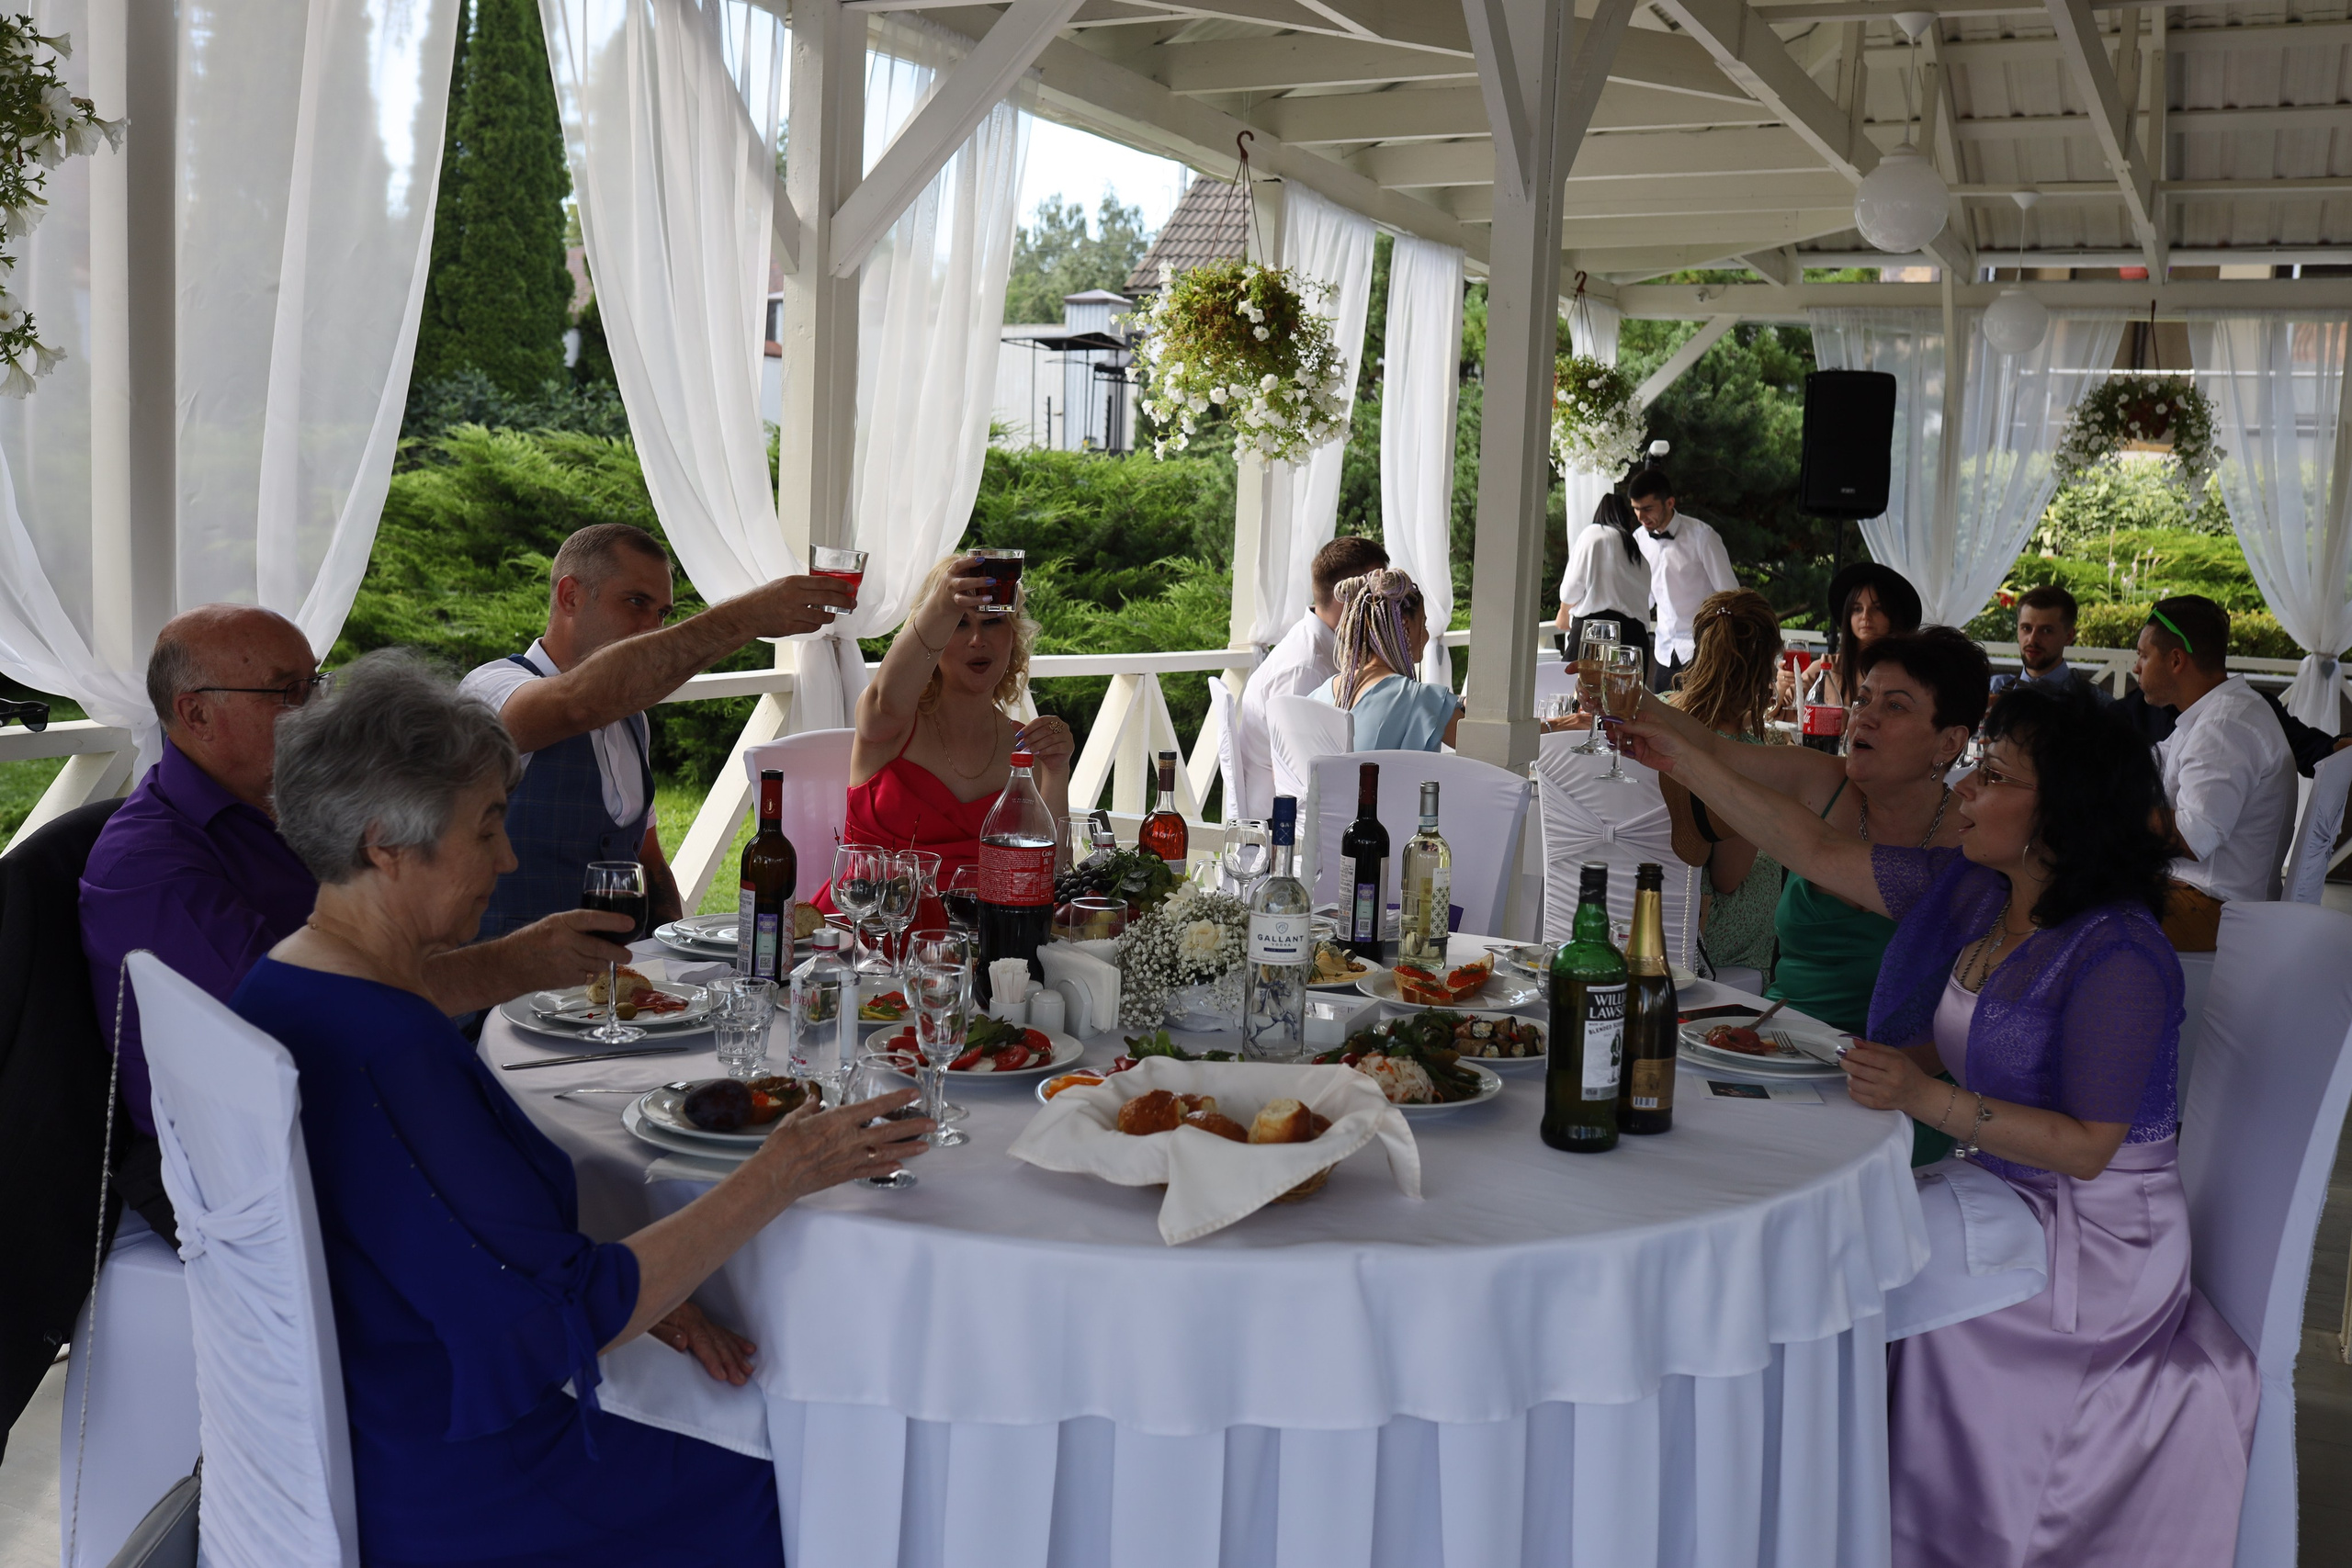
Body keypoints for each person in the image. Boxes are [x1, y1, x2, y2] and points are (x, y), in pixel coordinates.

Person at [232, 651, 935, 1567]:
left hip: (390, 1409)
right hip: (475, 1480)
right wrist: (785, 1172)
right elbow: (553, 1320)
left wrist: (665, 1301)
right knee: (829, 1477)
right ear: (385, 844)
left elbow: (459, 1246)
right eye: (486, 827)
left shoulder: (288, 982)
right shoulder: (387, 1049)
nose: (510, 856)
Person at [1625, 682, 2256, 1568]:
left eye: (1991, 775)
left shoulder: (2118, 950)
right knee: (1822, 1241)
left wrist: (1927, 1101)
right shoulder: (1977, 893)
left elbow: (2088, 1149)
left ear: (2059, 811)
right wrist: (1679, 757)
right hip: (1999, 1187)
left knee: (1834, 1265)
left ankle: (1845, 1524)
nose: (1963, 788)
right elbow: (1808, 844)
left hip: (2093, 1244)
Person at [82, 606, 634, 1145]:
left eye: (316, 684)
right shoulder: (148, 862)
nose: (315, 710)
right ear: (196, 715)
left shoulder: (297, 804)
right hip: (258, 1163)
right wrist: (510, 965)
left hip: (368, 1089)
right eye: (288, 692)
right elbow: (303, 1016)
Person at [459, 525, 856, 938]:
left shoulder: (633, 721)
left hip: (616, 984)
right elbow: (574, 706)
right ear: (570, 596)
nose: (654, 628)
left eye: (663, 614)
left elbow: (648, 859)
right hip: (511, 988)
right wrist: (746, 616)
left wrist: (674, 958)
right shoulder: (490, 690)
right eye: (636, 602)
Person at [1645, 626, 1986, 1044]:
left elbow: (1816, 850)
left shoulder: (1976, 842)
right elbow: (1716, 750)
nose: (1866, 717)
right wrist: (1630, 699)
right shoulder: (1825, 781)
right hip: (1776, 1044)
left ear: (1950, 742)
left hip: (1892, 1076)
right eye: (1862, 699)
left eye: (1895, 706)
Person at [824, 552, 1076, 916]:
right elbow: (885, 699)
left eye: (992, 622)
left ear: (1013, 635)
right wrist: (941, 603)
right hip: (868, 935)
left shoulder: (1026, 747)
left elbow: (1048, 879)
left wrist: (1057, 769)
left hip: (982, 945)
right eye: (959, 623)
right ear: (933, 630)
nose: (977, 639)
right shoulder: (892, 724)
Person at [2132, 595, 2296, 950]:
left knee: (2072, 904)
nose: (2136, 667)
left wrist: (2108, 810)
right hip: (2203, 895)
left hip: (2215, 907)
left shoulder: (2223, 726)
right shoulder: (2216, 712)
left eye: (2144, 656)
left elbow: (2195, 836)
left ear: (2176, 660)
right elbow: (2154, 761)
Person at [1658, 591, 1787, 983]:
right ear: (1763, 671)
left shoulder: (1659, 714)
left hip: (1642, 908)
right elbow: (1730, 879)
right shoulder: (1747, 759)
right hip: (1701, 933)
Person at [1235, 535, 1391, 820]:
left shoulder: (1321, 646)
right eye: (1378, 594)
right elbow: (1305, 775)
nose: (1386, 606)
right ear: (1347, 595)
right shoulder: (1307, 667)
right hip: (1281, 829)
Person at [1312, 569, 1463, 752]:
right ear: (1406, 626)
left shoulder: (1320, 694)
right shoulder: (1423, 700)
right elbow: (1485, 745)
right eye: (1423, 624)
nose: (1427, 633)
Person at [1628, 468, 1736, 693]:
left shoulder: (1703, 537)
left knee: (1697, 724)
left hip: (1702, 653)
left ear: (1669, 503)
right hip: (1664, 652)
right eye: (1636, 509)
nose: (1640, 517)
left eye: (1647, 509)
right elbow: (1642, 599)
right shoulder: (1638, 539)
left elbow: (1731, 596)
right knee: (1659, 722)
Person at [1801, 560, 1925, 712]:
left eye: (1877, 608)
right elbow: (1785, 710)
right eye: (1857, 609)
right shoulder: (1826, 668)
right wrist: (1783, 683)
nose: (1866, 616)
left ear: (1893, 616)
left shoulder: (1909, 674)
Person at [1553, 491, 1653, 668]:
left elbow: (1572, 586)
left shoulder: (1593, 534)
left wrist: (1563, 612)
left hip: (1596, 634)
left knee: (1580, 693)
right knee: (1628, 695)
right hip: (1635, 640)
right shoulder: (1638, 556)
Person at [1990, 584, 2110, 704]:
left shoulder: (2096, 704)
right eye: (2026, 628)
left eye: (2046, 631)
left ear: (2069, 636)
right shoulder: (1992, 689)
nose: (2032, 640)